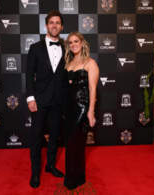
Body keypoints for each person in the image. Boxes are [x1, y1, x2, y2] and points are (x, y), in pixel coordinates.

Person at [26, 10, 66, 188]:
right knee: (36, 136)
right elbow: (29, 74)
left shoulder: (67, 48)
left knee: (55, 134)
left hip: (58, 99)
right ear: (46, 25)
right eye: (52, 22)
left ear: (62, 26)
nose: (54, 25)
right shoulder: (35, 48)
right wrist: (30, 98)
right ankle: (35, 171)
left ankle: (50, 166)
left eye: (58, 23)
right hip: (39, 99)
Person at [63, 31, 99, 190]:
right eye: (70, 42)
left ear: (82, 43)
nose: (73, 45)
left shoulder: (90, 63)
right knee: (69, 144)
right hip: (68, 108)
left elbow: (92, 88)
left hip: (82, 107)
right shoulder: (67, 63)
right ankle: (73, 175)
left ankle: (76, 177)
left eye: (76, 41)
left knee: (76, 143)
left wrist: (90, 111)